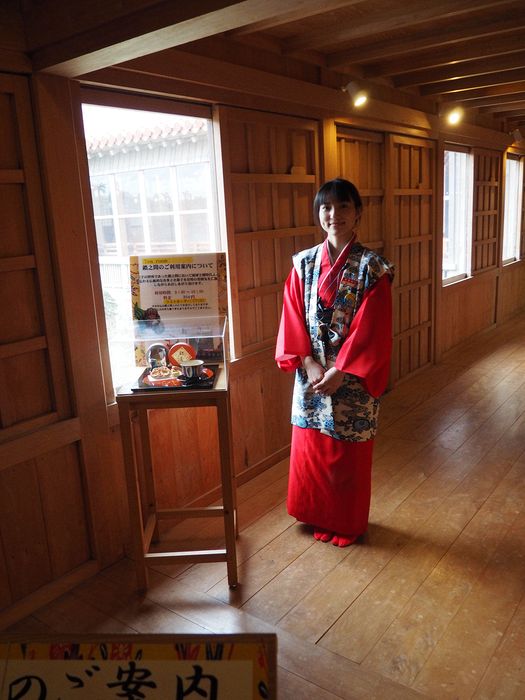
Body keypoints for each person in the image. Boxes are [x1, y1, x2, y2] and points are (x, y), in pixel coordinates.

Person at [275, 178, 394, 547]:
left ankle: (345, 521)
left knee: (346, 451)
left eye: (343, 207)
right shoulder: (305, 263)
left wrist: (341, 370)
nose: (334, 215)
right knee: (312, 446)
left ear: (357, 212)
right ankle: (315, 514)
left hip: (351, 376)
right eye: (326, 207)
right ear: (318, 214)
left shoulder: (372, 268)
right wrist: (308, 362)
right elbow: (292, 315)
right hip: (310, 374)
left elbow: (372, 327)